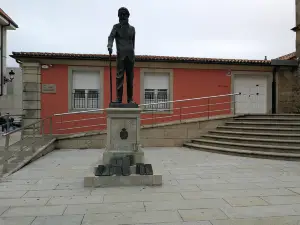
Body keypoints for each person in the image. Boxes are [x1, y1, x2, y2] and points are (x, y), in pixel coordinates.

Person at [107, 7, 136, 104]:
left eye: (124, 14)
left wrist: (133, 53)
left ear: (128, 16)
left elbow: (133, 43)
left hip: (130, 56)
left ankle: (130, 99)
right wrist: (110, 45)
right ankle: (119, 99)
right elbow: (111, 37)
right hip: (120, 56)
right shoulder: (116, 27)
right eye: (120, 15)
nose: (122, 16)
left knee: (130, 78)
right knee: (119, 77)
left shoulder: (132, 29)